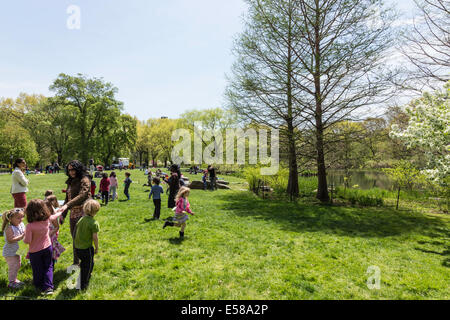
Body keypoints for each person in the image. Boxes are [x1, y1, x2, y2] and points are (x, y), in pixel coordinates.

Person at [23, 199, 62, 295]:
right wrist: (60, 211)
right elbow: (54, 216)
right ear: (44, 210)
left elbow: (27, 241)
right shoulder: (47, 220)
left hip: (35, 252)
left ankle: (38, 285)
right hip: (48, 248)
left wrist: (23, 237)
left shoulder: (29, 226)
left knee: (37, 269)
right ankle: (48, 287)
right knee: (49, 267)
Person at [58, 160, 91, 266]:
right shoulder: (70, 181)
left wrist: (67, 205)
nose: (71, 172)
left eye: (73, 169)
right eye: (69, 170)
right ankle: (76, 262)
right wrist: (63, 214)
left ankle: (86, 261)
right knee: (74, 237)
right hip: (73, 212)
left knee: (81, 238)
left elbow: (83, 194)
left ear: (78, 169)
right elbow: (67, 198)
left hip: (83, 212)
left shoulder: (84, 180)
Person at [74, 199, 100, 291]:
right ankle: (82, 284)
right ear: (96, 211)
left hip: (77, 248)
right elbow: (95, 238)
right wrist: (96, 248)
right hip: (86, 249)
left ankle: (84, 276)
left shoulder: (81, 219)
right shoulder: (94, 223)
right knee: (88, 265)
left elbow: (77, 232)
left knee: (84, 263)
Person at [2, 208, 25, 289]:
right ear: (10, 219)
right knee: (13, 266)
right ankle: (11, 282)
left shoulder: (21, 224)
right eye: (18, 218)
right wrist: (21, 237)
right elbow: (10, 240)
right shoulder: (9, 228)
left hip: (18, 250)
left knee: (18, 265)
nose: (21, 219)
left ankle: (14, 279)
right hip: (10, 252)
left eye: (22, 217)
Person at [44, 196, 66, 268]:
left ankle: (51, 265)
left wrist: (51, 233)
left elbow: (57, 227)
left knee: (51, 253)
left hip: (51, 238)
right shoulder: (41, 218)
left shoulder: (52, 217)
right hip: (43, 239)